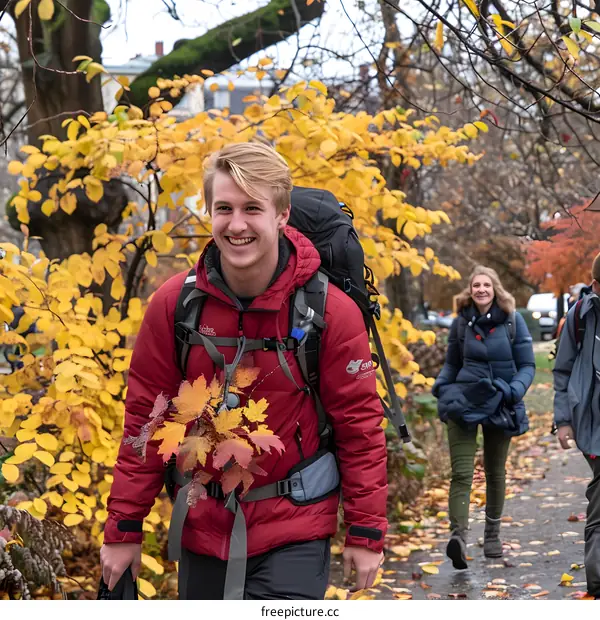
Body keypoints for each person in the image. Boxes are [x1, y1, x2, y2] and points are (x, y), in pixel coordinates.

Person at [100, 142, 387, 600]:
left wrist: (366, 530)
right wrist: (124, 528)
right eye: (224, 208)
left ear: (281, 215)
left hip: (296, 525)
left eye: (252, 208)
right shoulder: (176, 307)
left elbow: (360, 427)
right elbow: (146, 422)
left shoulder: (330, 310)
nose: (236, 225)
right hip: (202, 526)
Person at [432, 266, 535, 570]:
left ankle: (492, 536)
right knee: (461, 473)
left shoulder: (512, 321)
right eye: (476, 285)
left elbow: (527, 364)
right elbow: (451, 364)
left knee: (495, 471)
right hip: (465, 400)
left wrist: (514, 391)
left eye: (486, 285)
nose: (480, 290)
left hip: (501, 399)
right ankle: (458, 538)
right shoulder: (460, 323)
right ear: (470, 289)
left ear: (495, 289)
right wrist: (442, 386)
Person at [553, 252, 600, 600]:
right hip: (593, 423)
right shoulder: (580, 317)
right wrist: (563, 422)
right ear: (595, 284)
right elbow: (562, 371)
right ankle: (597, 582)